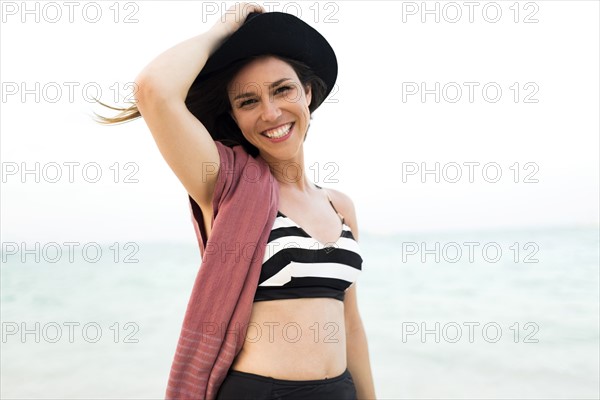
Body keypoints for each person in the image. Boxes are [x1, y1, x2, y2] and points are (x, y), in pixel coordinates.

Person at [94, 3, 376, 399]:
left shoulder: (339, 206)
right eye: (248, 101)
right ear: (235, 117)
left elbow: (351, 325)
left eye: (283, 89)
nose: (271, 112)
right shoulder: (226, 184)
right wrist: (224, 28)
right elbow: (153, 89)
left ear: (308, 93)